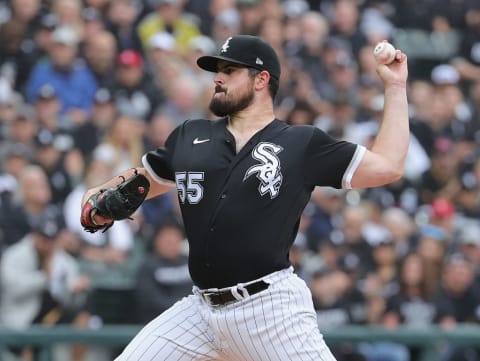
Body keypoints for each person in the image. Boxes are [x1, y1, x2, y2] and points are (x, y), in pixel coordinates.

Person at [81, 35, 409, 361]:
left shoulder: (300, 143)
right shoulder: (190, 135)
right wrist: (97, 194)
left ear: (261, 80)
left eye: (230, 70)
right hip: (200, 313)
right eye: (217, 70)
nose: (218, 78)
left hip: (269, 310)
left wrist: (395, 88)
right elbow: (145, 179)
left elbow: (388, 166)